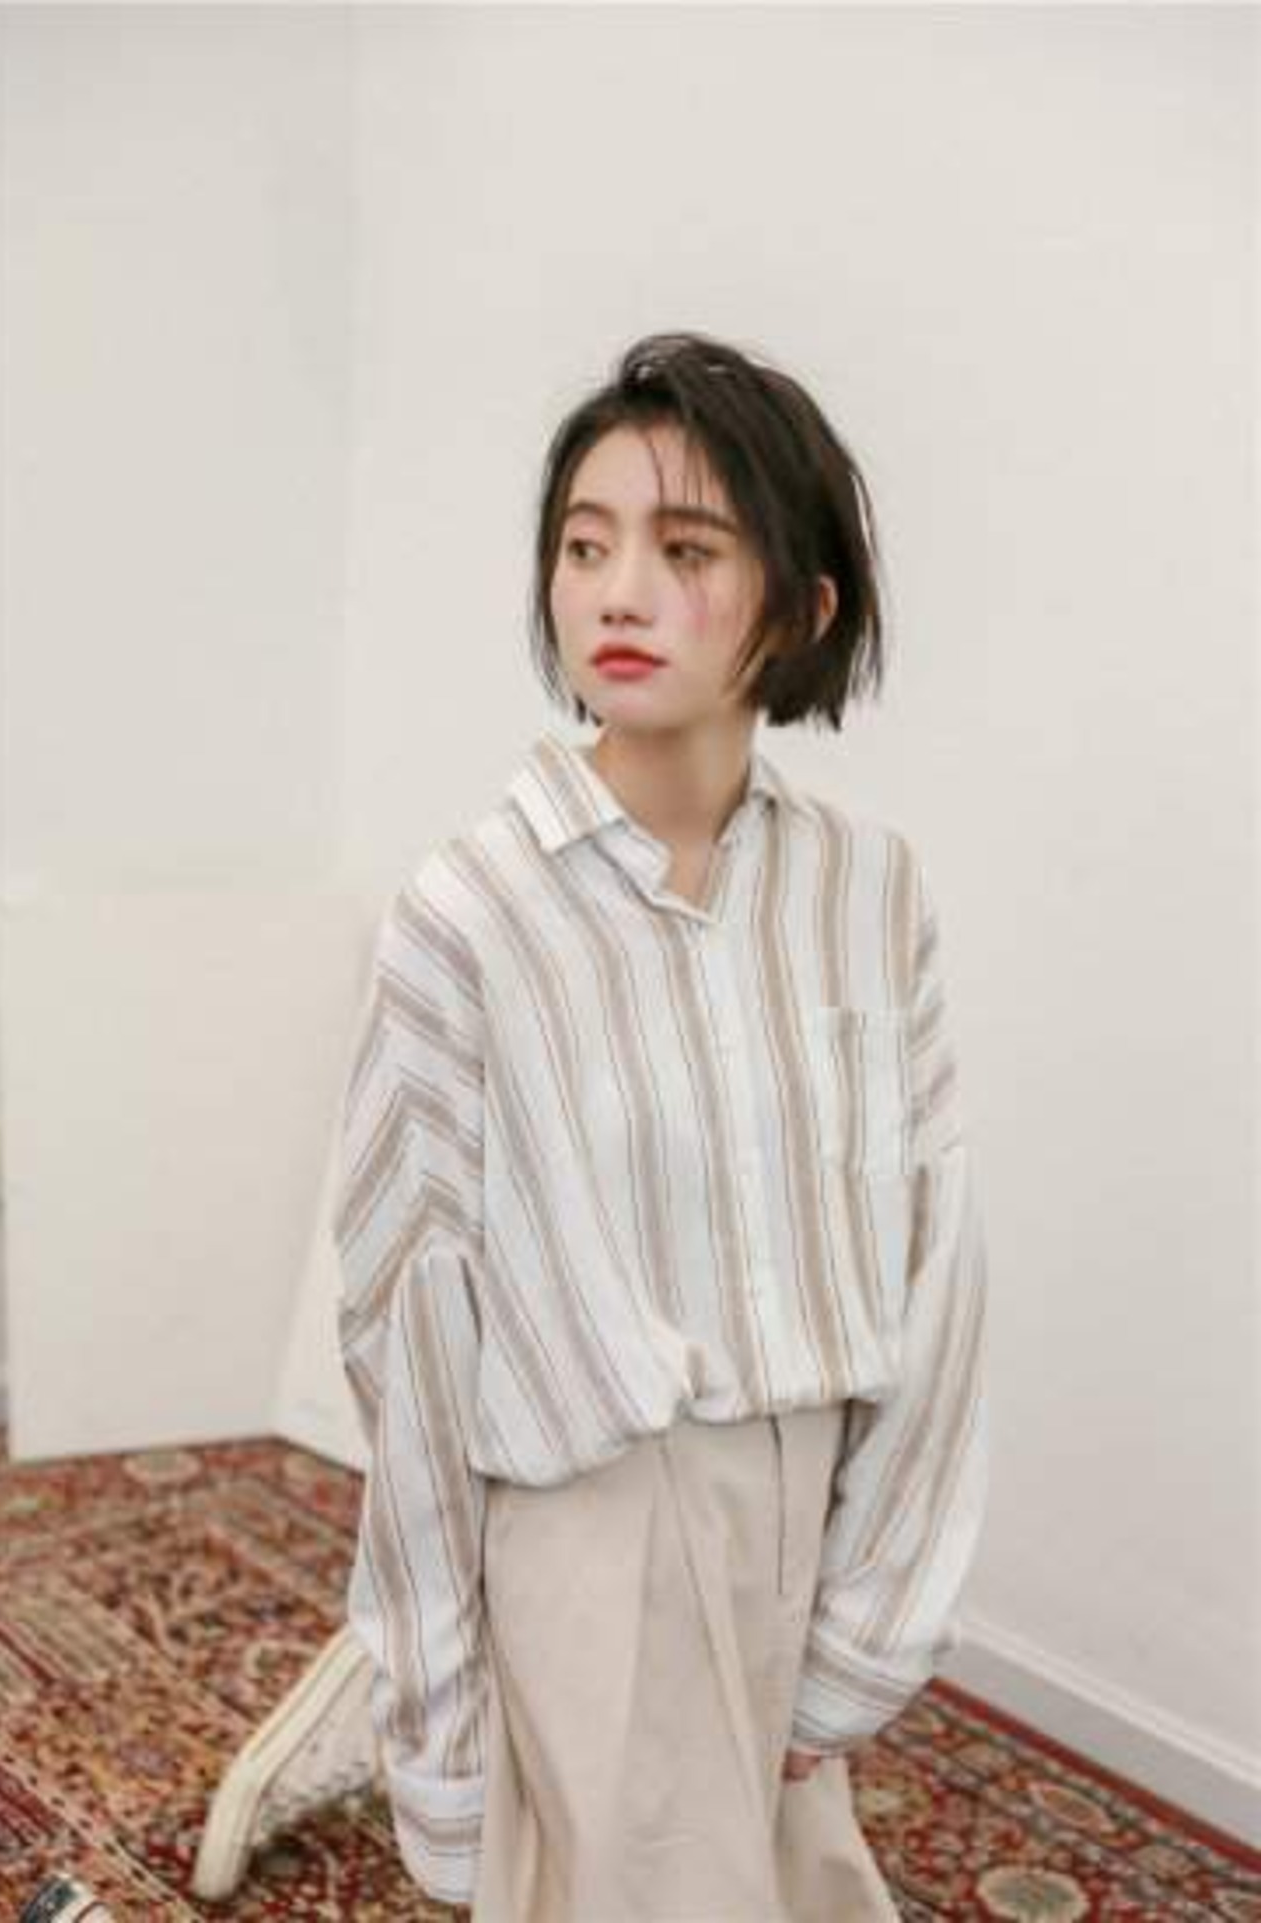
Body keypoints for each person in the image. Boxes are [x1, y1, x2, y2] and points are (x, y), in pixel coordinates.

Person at [331, 329, 991, 1921]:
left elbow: (934, 1261)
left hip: (808, 1514)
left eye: (685, 550)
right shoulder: (468, 918)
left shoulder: (866, 889)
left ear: (803, 608)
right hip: (593, 1544)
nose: (616, 593)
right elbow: (408, 1334)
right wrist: (439, 1730)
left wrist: (870, 1618)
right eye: (584, 545)